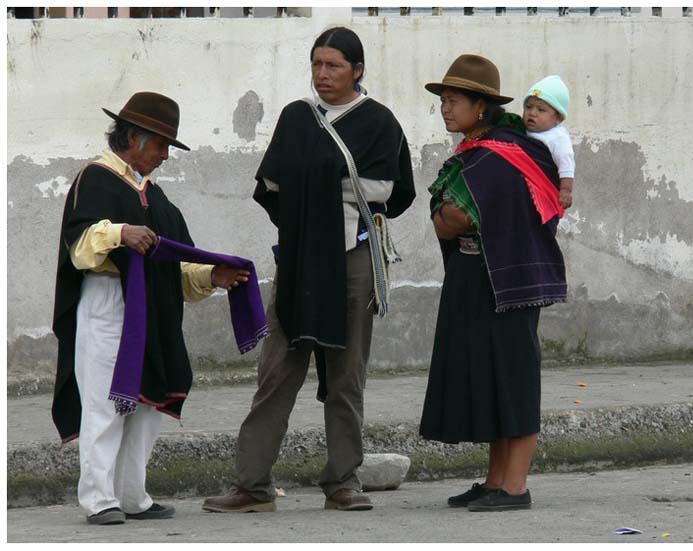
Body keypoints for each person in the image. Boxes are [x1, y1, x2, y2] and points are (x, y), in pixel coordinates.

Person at [203, 26, 415, 514]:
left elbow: (383, 189)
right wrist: (325, 191)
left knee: (347, 374)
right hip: (299, 258)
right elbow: (272, 184)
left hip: (353, 260)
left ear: (357, 71)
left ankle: (343, 480)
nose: (323, 74)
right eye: (317, 64)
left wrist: (314, 182)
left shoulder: (379, 122)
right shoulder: (296, 118)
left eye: (334, 65)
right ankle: (252, 485)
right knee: (277, 369)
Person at [52, 92, 252, 525]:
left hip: (153, 311)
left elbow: (176, 269)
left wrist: (210, 277)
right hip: (108, 304)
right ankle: (98, 498)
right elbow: (81, 248)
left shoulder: (157, 198)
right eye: (160, 145)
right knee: (106, 402)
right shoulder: (96, 179)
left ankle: (132, 496)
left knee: (144, 405)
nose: (164, 156)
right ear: (135, 138)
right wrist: (121, 233)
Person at [419, 55, 568, 511]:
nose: (445, 108)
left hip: (508, 281)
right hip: (476, 276)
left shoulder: (504, 153)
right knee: (490, 375)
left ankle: (516, 487)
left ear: (481, 105)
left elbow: (457, 215)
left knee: (514, 375)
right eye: (442, 101)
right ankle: (494, 480)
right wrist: (449, 217)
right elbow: (447, 217)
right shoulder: (478, 151)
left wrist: (450, 216)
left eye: (454, 100)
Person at [523, 75, 575, 209]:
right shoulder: (520, 130)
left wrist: (565, 191)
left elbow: (566, 165)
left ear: (558, 118)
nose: (532, 113)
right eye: (528, 107)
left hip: (544, 191)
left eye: (541, 110)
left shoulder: (558, 138)